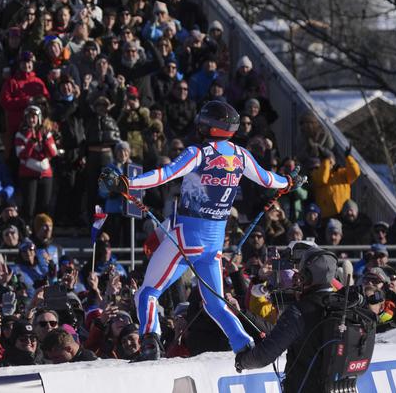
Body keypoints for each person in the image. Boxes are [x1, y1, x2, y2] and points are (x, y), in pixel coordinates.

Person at [99, 101, 302, 360]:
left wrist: (127, 182)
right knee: (215, 303)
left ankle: (151, 345)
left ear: (209, 125)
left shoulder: (200, 153)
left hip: (187, 236)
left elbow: (165, 174)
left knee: (147, 292)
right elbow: (268, 179)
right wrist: (291, 182)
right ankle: (245, 345)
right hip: (214, 242)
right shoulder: (240, 155)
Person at [235, 248, 370, 392]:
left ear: (306, 275)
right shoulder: (346, 306)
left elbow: (264, 356)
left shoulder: (299, 311)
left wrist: (241, 362)